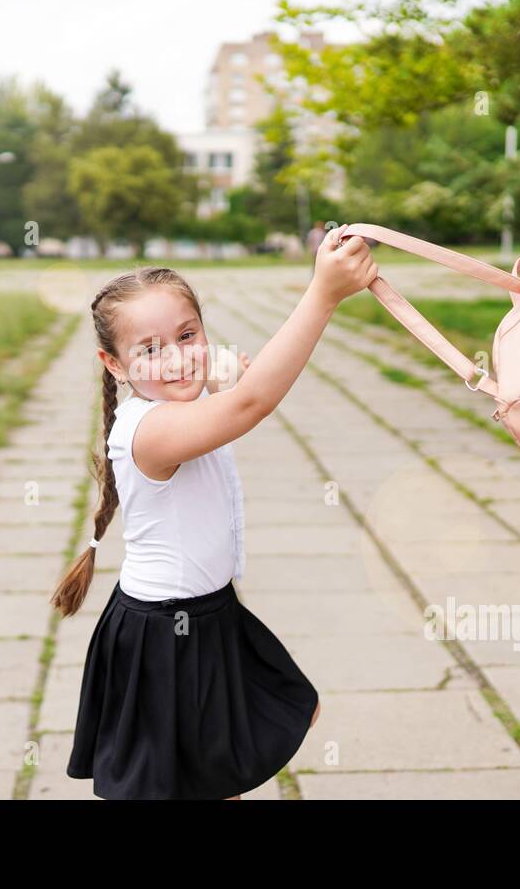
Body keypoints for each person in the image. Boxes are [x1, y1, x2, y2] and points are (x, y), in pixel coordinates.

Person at [54, 226, 376, 800]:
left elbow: (222, 383)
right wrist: (321, 294)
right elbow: (249, 406)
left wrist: (219, 373)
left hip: (214, 613)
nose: (176, 357)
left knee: (254, 739)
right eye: (149, 349)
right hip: (165, 634)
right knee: (183, 781)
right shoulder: (149, 431)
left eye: (187, 334)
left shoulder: (177, 396)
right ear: (114, 363)